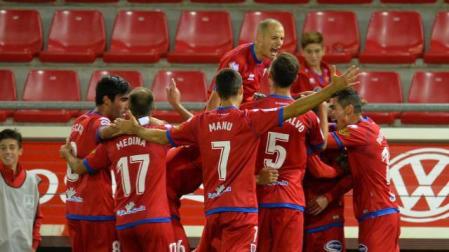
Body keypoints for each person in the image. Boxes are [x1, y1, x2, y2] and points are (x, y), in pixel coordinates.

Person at [112, 63, 359, 251]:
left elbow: (163, 138)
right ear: (241, 90)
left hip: (213, 211)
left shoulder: (201, 122)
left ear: (217, 92)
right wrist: (330, 91)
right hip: (241, 212)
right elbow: (295, 109)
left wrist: (137, 130)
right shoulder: (248, 120)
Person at [60, 87, 176, 252]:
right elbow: (188, 131)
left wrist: (67, 155)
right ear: (153, 109)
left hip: (125, 223)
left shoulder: (112, 142)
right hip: (154, 219)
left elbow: (79, 167)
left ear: (128, 109)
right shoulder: (161, 134)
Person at [239, 52, 327, 252]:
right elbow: (320, 144)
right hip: (290, 201)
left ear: (269, 76)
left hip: (257, 199)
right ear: (296, 79)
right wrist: (320, 106)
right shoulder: (307, 116)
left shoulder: (251, 111)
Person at [326, 89, 400, 251]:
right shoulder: (369, 125)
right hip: (382, 211)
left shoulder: (357, 132)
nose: (331, 114)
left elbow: (321, 140)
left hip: (377, 213)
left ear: (349, 110)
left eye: (334, 108)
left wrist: (318, 109)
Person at [64, 75, 130, 252]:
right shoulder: (102, 121)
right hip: (98, 211)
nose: (126, 106)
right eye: (123, 99)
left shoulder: (79, 121)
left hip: (75, 209)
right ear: (107, 100)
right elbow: (103, 131)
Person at [206, 18, 285, 110]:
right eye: (274, 38)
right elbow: (215, 98)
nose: (279, 43)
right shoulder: (235, 61)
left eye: (282, 38)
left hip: (244, 113)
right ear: (259, 38)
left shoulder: (267, 59)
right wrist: (211, 122)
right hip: (226, 114)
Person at [0, 129, 42, 252]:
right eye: (3, 148)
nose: (7, 151)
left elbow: (37, 217)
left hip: (25, 249)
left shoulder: (32, 180)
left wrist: (34, 245)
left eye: (12, 147)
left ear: (20, 151)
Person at [291, 32, 334, 96]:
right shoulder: (297, 74)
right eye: (309, 51)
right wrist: (299, 96)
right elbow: (287, 95)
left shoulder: (331, 71)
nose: (313, 56)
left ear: (323, 51)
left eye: (317, 51)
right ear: (302, 52)